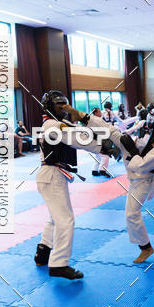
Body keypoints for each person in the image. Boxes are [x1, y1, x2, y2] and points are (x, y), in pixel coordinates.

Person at [76, 104, 154, 263]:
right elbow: (143, 148)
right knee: (115, 134)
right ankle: (84, 119)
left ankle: (146, 248)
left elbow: (141, 165)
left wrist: (128, 150)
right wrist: (130, 145)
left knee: (132, 213)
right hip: (139, 171)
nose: (152, 119)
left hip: (145, 179)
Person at [33, 90, 121, 280]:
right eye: (59, 105)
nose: (63, 108)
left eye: (64, 104)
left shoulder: (55, 123)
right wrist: (103, 147)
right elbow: (75, 138)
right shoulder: (53, 125)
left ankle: (43, 252)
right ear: (49, 107)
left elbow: (78, 132)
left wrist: (101, 139)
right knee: (66, 220)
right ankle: (59, 264)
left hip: (52, 175)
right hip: (51, 176)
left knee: (56, 217)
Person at [90, 108, 111, 177]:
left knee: (98, 156)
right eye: (99, 111)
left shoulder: (93, 119)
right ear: (95, 113)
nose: (101, 113)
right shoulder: (96, 120)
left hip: (95, 140)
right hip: (97, 140)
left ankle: (94, 170)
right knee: (106, 155)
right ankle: (102, 170)